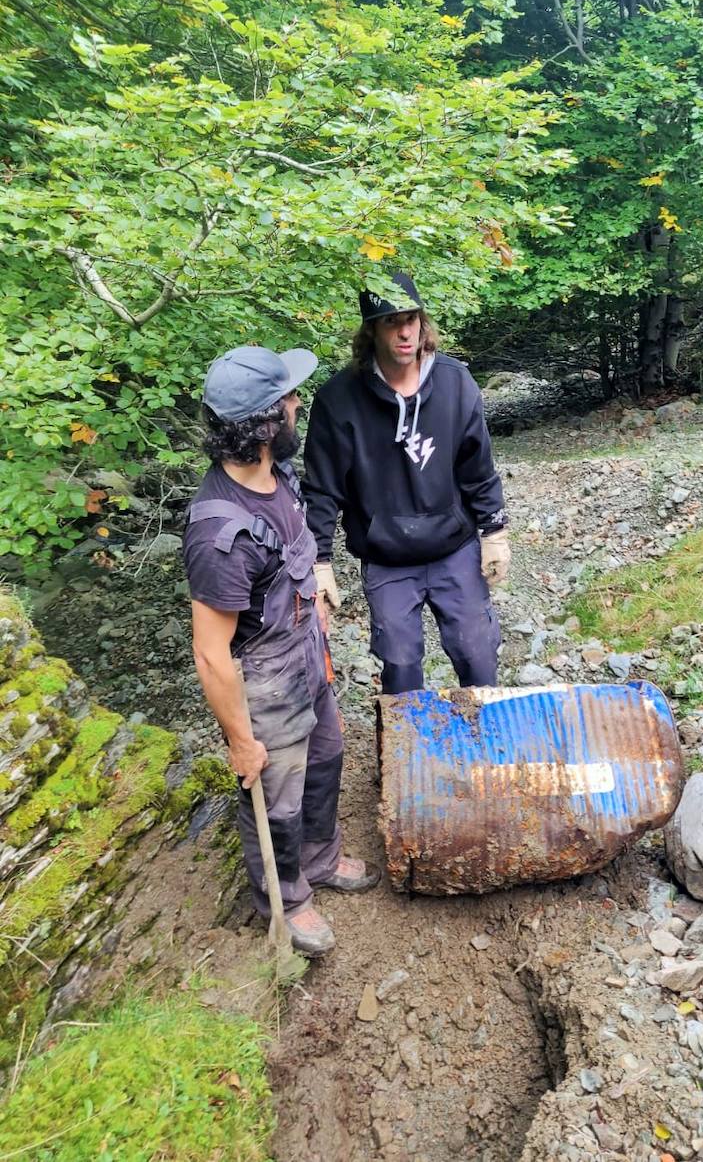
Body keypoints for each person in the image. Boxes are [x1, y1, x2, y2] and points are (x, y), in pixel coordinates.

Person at [183, 345, 379, 960]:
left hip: (307, 655)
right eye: (289, 399)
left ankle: (320, 861)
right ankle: (285, 900)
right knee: (276, 796)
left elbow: (295, 563)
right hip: (264, 680)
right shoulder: (219, 534)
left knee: (328, 758)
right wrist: (241, 740)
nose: (299, 404)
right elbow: (212, 654)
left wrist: (316, 607)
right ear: (266, 423)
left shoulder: (279, 476)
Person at [302, 271, 510, 694]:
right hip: (387, 556)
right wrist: (318, 563)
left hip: (454, 546)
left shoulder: (455, 382)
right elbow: (322, 488)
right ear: (371, 331)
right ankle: (408, 752)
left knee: (478, 653)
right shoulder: (338, 400)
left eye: (411, 318)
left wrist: (495, 530)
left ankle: (486, 740)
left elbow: (477, 465)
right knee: (399, 666)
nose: (404, 331)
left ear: (423, 322)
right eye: (390, 321)